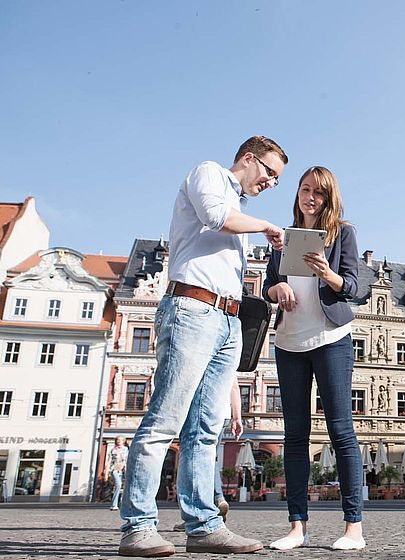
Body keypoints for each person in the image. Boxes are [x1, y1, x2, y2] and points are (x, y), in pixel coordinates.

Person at [118, 135, 287, 558]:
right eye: (270, 173)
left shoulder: (241, 212)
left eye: (276, 179)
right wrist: (266, 226)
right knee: (165, 420)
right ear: (249, 159)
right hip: (192, 308)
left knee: (205, 430)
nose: (270, 182)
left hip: (228, 320)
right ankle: (137, 527)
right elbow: (215, 217)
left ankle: (204, 525)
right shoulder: (209, 173)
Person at [263, 166, 365, 551]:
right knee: (295, 436)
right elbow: (270, 288)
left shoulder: (343, 233)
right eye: (305, 190)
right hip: (289, 341)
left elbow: (354, 286)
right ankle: (296, 527)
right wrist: (278, 290)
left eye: (318, 192)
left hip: (331, 338)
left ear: (329, 197)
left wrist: (329, 274)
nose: (310, 197)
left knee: (341, 432)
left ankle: (353, 527)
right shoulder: (285, 238)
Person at [173, 377, 243, 532]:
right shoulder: (227, 353)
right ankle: (217, 500)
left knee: (194, 459)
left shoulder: (200, 352)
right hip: (222, 413)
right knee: (209, 458)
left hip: (198, 409)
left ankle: (197, 513)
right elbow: (235, 387)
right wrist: (236, 417)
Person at [109, 436, 129, 511]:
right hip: (115, 469)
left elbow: (126, 460)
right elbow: (109, 460)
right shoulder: (113, 450)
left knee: (125, 486)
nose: (119, 441)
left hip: (123, 469)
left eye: (120, 440)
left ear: (124, 441)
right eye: (117, 440)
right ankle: (114, 504)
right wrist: (106, 470)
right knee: (118, 485)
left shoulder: (126, 449)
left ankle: (122, 503)